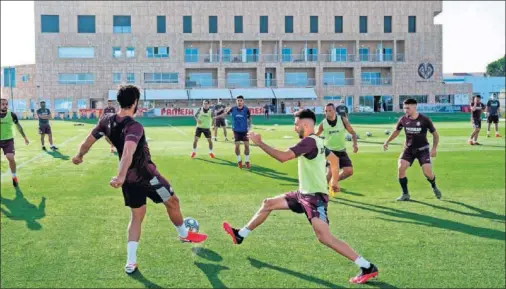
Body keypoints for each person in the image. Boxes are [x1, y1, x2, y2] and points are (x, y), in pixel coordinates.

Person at [222, 109, 378, 284]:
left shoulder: (309, 142)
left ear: (305, 124)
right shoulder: (318, 141)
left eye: (296, 124)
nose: (294, 128)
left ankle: (367, 266)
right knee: (268, 204)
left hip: (314, 198)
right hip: (302, 194)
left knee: (325, 238)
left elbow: (283, 157)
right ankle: (240, 235)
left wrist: (260, 143)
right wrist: (334, 181)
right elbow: (334, 160)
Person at [71, 85, 207, 274]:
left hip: (129, 180)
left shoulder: (106, 121)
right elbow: (128, 152)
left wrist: (79, 156)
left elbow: (88, 141)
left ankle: (131, 262)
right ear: (135, 103)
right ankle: (184, 235)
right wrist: (119, 175)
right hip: (148, 176)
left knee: (136, 217)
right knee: (172, 201)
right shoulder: (134, 126)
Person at [383, 98, 442, 201]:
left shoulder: (425, 120)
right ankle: (405, 194)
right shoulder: (403, 119)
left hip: (423, 150)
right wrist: (387, 141)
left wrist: (434, 149)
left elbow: (435, 135)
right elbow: (396, 131)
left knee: (428, 173)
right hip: (408, 149)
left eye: (408, 108)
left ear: (415, 107)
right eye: (404, 108)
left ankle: (434, 186)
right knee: (401, 168)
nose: (405, 110)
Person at [316, 103, 358, 196]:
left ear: (335, 111)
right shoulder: (323, 123)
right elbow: (315, 135)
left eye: (330, 110)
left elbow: (353, 133)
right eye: (326, 111)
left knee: (349, 171)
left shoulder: (343, 120)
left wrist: (355, 145)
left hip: (341, 150)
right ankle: (319, 192)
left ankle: (333, 182)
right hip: (329, 151)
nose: (327, 113)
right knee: (330, 171)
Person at [214, 95, 252, 169]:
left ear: (243, 101)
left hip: (245, 131)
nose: (239, 102)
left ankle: (247, 161)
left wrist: (250, 127)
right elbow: (224, 114)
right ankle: (239, 161)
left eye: (241, 100)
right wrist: (216, 117)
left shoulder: (246, 109)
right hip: (236, 131)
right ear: (236, 101)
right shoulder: (232, 109)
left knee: (247, 146)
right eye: (238, 100)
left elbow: (249, 118)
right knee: (237, 146)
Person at [0, 98, 30, 187]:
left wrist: (25, 137)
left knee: (10, 157)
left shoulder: (12, 115)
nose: (5, 106)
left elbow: (19, 127)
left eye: (6, 104)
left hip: (8, 140)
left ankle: (14, 176)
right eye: (3, 104)